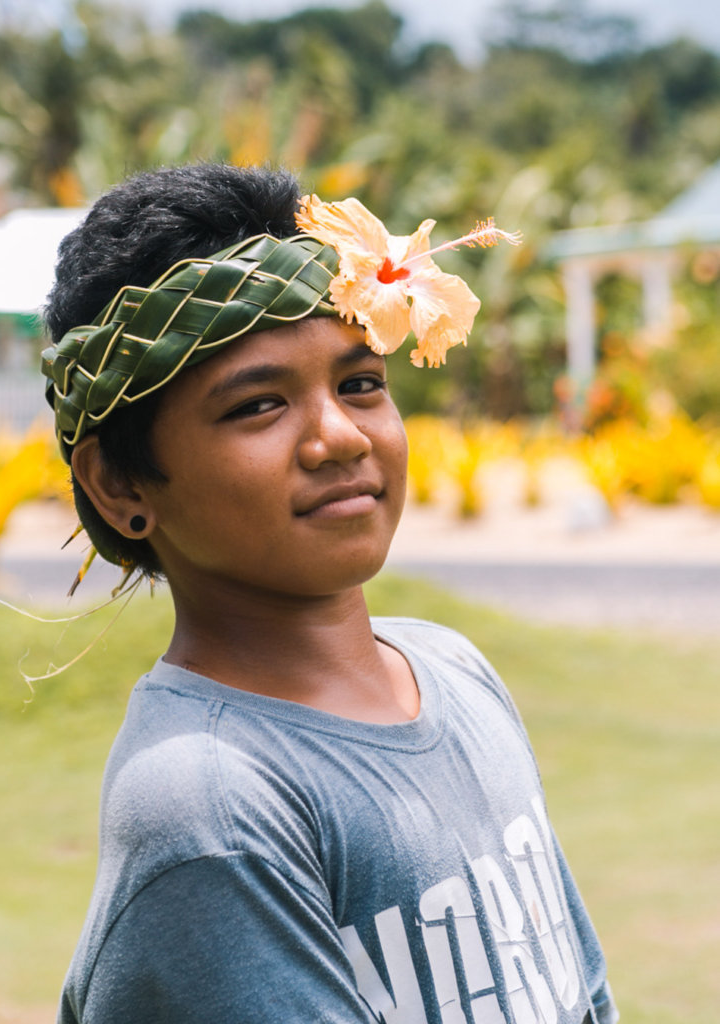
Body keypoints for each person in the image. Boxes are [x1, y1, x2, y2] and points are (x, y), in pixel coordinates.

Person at [41, 163, 618, 1024]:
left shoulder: (454, 670)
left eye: (360, 384)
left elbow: (583, 995)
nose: (340, 437)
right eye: (258, 406)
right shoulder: (208, 801)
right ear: (120, 483)